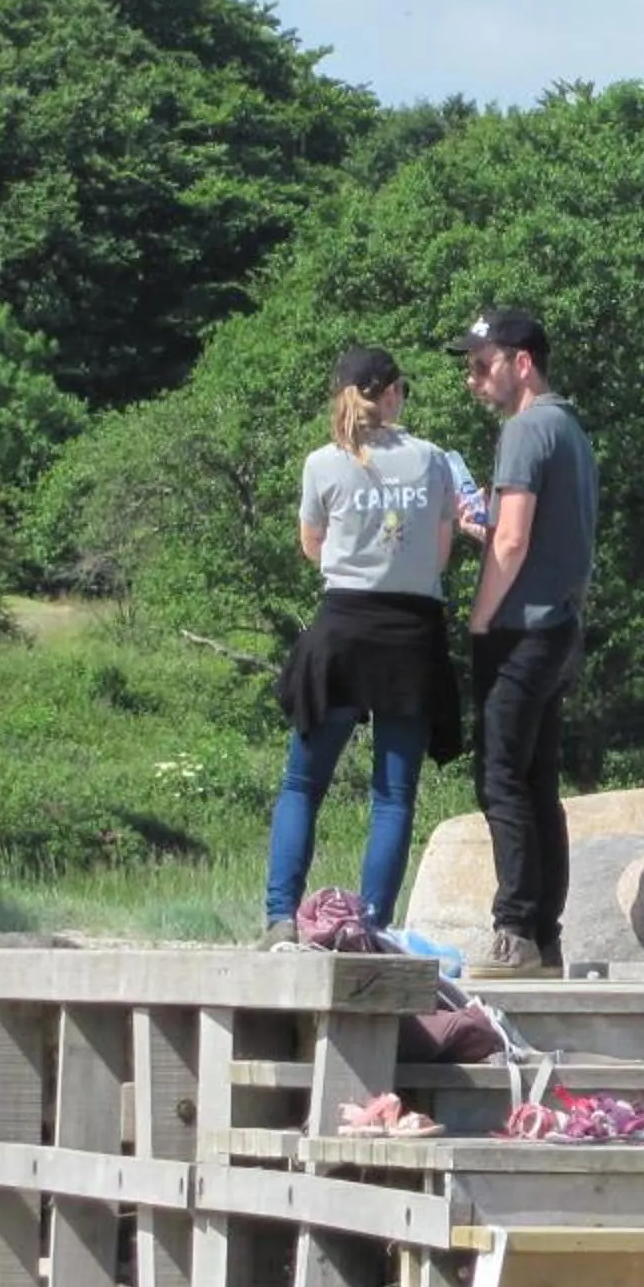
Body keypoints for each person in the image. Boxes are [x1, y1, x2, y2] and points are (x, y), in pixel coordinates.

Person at [262, 347, 465, 942]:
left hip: (344, 626)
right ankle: (371, 924)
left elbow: (312, 546)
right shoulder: (432, 461)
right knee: (393, 794)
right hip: (410, 633)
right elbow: (443, 552)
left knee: (303, 784)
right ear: (395, 392)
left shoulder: (323, 462)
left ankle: (280, 915)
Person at [448, 305, 599, 979]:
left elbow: (512, 541)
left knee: (501, 779)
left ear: (521, 362)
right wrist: (478, 530)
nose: (473, 381)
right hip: (562, 623)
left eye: (482, 366)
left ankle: (513, 931)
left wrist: (480, 620)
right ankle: (545, 934)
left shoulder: (525, 430)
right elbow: (529, 537)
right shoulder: (570, 429)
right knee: (538, 781)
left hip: (521, 630)